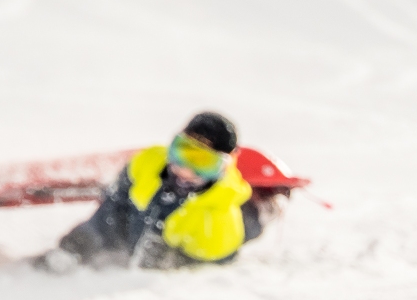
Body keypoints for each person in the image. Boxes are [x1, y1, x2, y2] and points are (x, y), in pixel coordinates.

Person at [39, 111, 275, 271]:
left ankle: (267, 206)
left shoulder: (220, 216)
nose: (185, 168)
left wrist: (173, 260)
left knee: (252, 225)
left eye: (202, 162)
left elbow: (219, 256)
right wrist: (79, 244)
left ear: (223, 167)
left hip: (222, 223)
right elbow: (114, 207)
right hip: (145, 216)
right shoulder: (147, 164)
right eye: (181, 152)